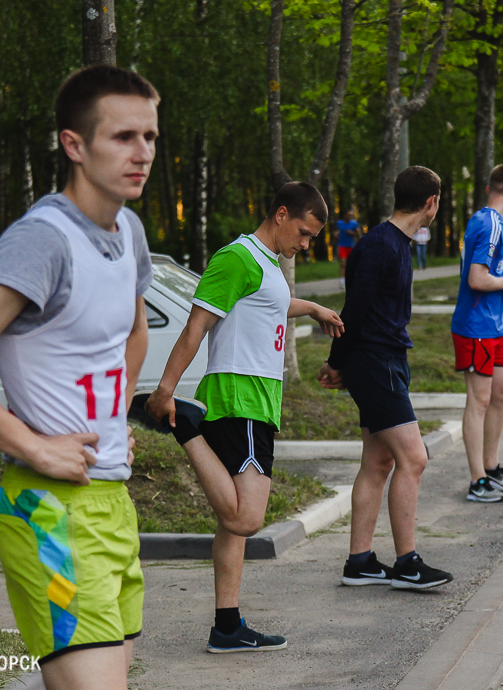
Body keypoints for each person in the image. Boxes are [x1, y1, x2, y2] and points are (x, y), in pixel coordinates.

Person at [0, 65, 158, 690]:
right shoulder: (41, 242)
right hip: (49, 512)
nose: (143, 153)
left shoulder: (128, 229)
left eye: (150, 137)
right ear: (74, 145)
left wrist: (113, 418)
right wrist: (34, 445)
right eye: (123, 137)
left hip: (113, 502)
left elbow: (130, 335)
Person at [140, 182, 344, 652]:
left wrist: (311, 308)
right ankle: (186, 429)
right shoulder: (237, 257)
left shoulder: (265, 263)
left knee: (230, 524)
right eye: (305, 232)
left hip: (256, 399)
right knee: (247, 518)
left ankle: (226, 626)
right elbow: (196, 326)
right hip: (240, 397)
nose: (307, 244)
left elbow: (269, 307)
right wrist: (167, 392)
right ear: (281, 213)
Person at [318, 166, 454, 590]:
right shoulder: (379, 246)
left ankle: (359, 562)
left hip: (386, 358)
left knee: (379, 461)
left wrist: (344, 361)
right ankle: (408, 564)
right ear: (430, 202)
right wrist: (338, 362)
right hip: (375, 361)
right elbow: (353, 313)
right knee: (414, 458)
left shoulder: (396, 244)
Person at [451, 164, 503, 504]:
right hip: (476, 327)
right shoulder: (490, 223)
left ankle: (492, 467)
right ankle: (477, 481)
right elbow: (476, 278)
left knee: (502, 392)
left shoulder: (488, 221)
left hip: (492, 326)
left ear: (488, 188)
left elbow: (488, 273)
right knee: (480, 400)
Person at [336, 209, 360, 289]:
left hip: (350, 246)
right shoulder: (339, 223)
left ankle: (351, 280)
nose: (350, 217)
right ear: (345, 215)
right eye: (348, 215)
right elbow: (336, 232)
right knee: (343, 263)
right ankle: (342, 281)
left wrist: (351, 233)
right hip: (342, 245)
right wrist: (336, 235)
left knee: (351, 264)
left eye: (351, 215)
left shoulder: (354, 224)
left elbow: (358, 234)